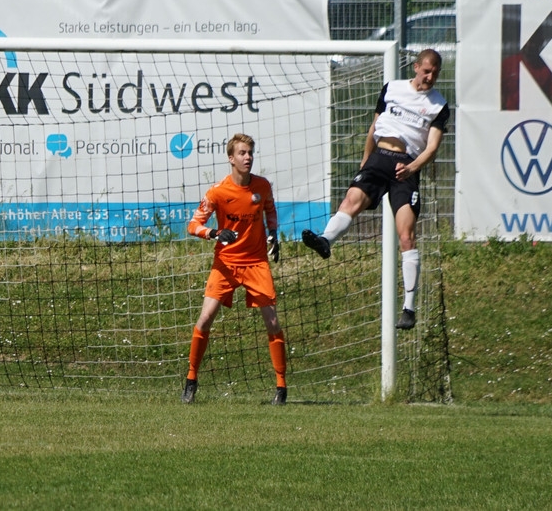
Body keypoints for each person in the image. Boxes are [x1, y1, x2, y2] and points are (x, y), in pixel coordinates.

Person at [301, 48, 449, 331]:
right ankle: (325, 241)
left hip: (406, 166)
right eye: (426, 71)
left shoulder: (439, 105)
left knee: (406, 235)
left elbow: (431, 148)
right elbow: (374, 126)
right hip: (379, 158)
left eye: (435, 73)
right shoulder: (391, 88)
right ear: (416, 67)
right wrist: (365, 160)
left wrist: (412, 168)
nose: (430, 77)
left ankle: (409, 309)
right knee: (351, 200)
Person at [182, 133, 285, 405]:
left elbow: (270, 210)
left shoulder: (262, 186)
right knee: (205, 318)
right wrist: (214, 233)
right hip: (225, 263)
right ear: (231, 158)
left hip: (256, 263)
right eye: (242, 153)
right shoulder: (217, 192)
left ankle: (281, 387)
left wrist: (273, 234)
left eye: (250, 152)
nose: (247, 157)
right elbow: (192, 225)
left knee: (273, 322)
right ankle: (191, 380)